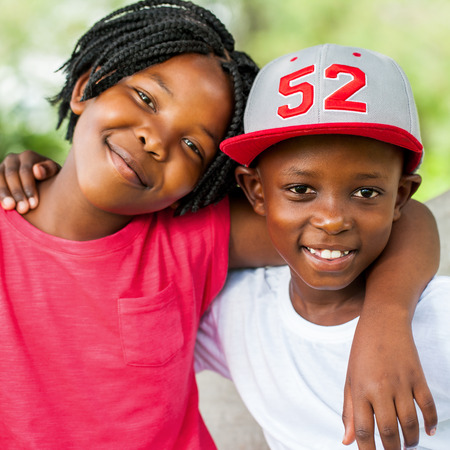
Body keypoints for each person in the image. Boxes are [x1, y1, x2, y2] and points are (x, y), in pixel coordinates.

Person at [0, 3, 439, 447]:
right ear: (85, 87)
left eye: (193, 145)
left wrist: (385, 323)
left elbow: (404, 219)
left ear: (207, 180)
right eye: (147, 99)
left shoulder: (192, 237)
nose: (155, 139)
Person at [195, 43, 450, 449]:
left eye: (366, 191)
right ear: (255, 191)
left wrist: (387, 318)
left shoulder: (440, 318)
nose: (333, 219)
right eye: (300, 189)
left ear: (401, 196)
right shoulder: (234, 312)